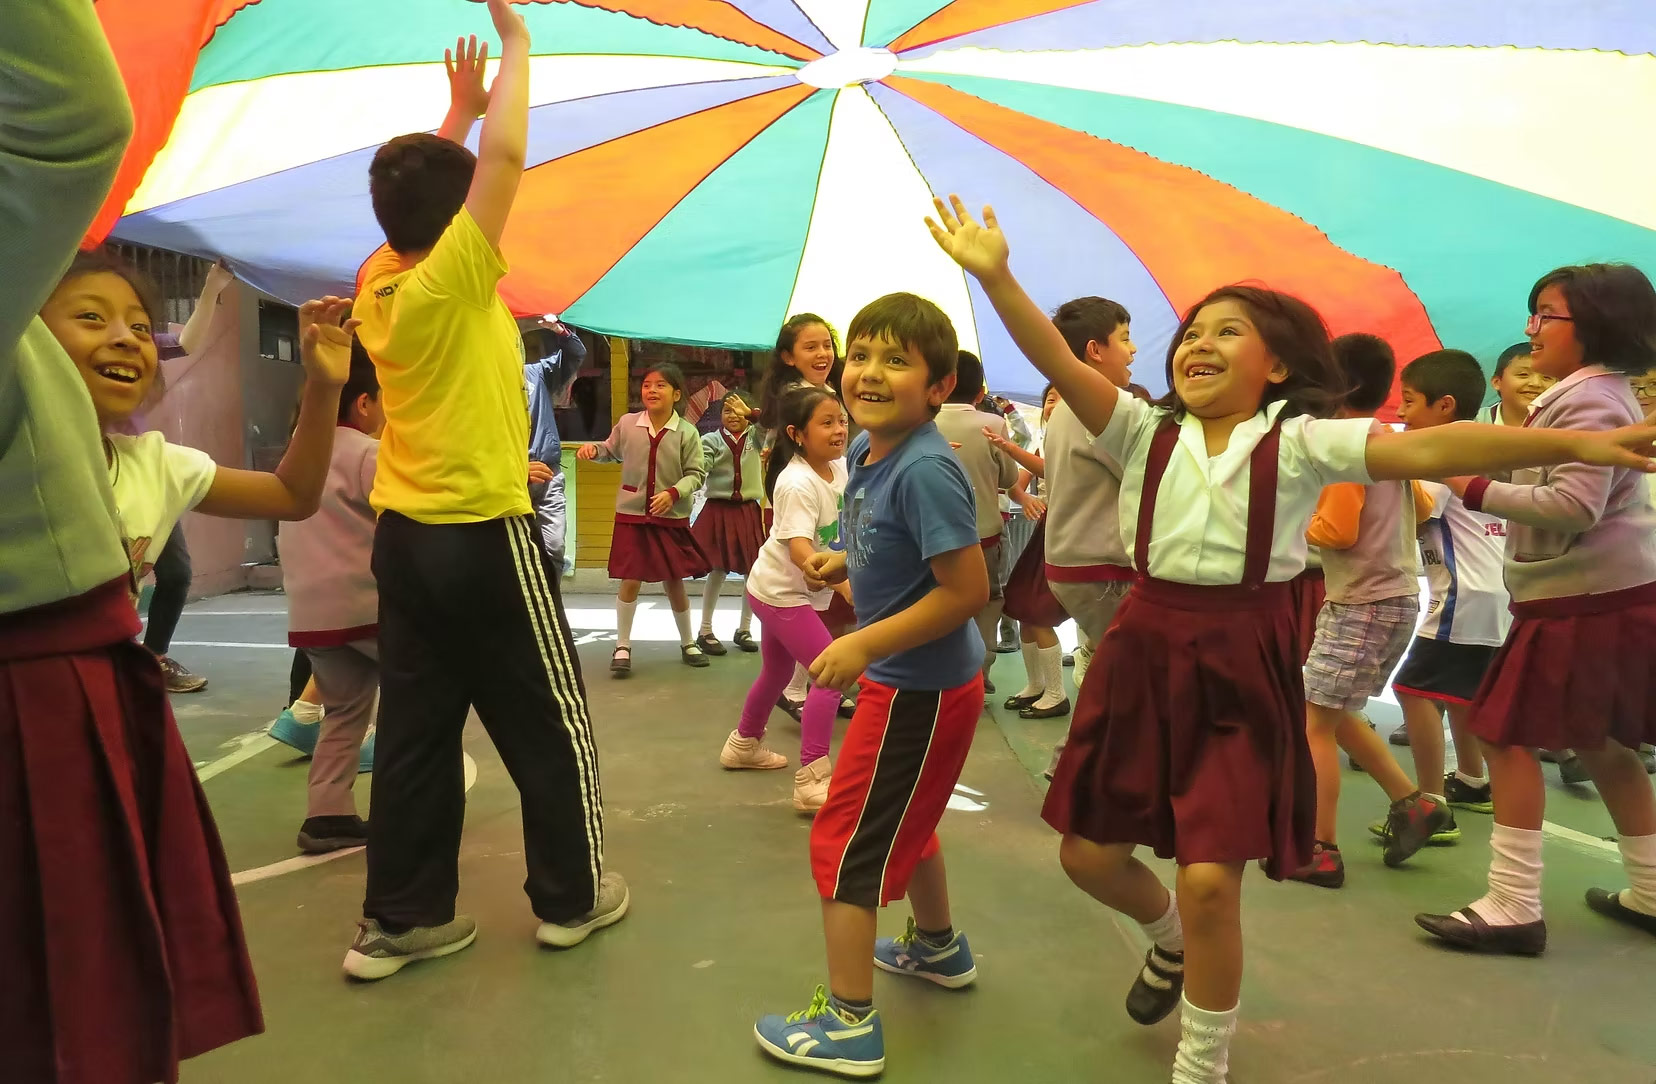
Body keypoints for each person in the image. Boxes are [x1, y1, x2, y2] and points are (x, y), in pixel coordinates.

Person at [928, 194, 1656, 1083]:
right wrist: (996, 275)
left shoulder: (1307, 440)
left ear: (1277, 365)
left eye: (1227, 332)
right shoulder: (1138, 425)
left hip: (1244, 656)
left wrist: (1597, 447)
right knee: (1087, 853)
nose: (1198, 342)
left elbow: (1428, 449)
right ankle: (1166, 945)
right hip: (1145, 648)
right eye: (1192, 329)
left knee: (1209, 879)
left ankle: (1202, 1064)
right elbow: (1051, 353)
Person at [1, 5, 263, 1078]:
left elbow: (283, 485)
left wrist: (324, 379)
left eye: (130, 321)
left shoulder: (158, 456)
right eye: (85, 314)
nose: (121, 338)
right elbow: (72, 112)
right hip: (45, 679)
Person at [346, 7, 621, 981]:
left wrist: (449, 118)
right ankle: (574, 899)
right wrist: (516, 51)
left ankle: (401, 920)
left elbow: (435, 190)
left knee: (417, 732)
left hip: (404, 544)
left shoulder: (379, 281)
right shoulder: (458, 277)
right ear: (458, 223)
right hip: (481, 535)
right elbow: (503, 166)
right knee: (551, 718)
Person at [752, 293, 990, 1078]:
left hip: (913, 688)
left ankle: (850, 1023)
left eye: (896, 360)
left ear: (938, 386)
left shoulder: (925, 467)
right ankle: (936, 947)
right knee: (913, 822)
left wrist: (862, 647)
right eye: (860, 355)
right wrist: (842, 562)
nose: (869, 372)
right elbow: (890, 546)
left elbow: (964, 591)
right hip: (917, 682)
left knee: (846, 842)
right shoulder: (864, 451)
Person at [1416, 264, 1656, 955]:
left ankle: (1514, 903)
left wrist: (1469, 484)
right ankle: (1649, 888)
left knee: (1504, 734)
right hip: (1604, 593)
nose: (1532, 330)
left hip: (1579, 600)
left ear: (1595, 323)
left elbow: (1573, 507)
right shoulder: (1597, 393)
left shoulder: (1591, 401)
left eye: (1546, 314)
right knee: (1605, 745)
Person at [1296, 333, 1445, 888]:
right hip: (1396, 597)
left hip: (1361, 600)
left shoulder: (1344, 448)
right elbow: (1423, 503)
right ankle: (1415, 803)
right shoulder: (1386, 440)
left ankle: (1320, 846)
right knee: (1334, 713)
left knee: (1311, 722)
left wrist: (1292, 520)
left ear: (1340, 387)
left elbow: (1336, 529)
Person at [1387, 350, 1508, 820]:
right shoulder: (1475, 444)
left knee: (1414, 690)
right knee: (1460, 691)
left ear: (1444, 406)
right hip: (1492, 592)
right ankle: (1474, 781)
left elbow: (1418, 510)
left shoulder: (1440, 453)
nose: (1400, 412)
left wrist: (1384, 474)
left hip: (1465, 595)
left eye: (1410, 400)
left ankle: (1430, 803)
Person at [279, 341, 386, 853]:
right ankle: (417, 807)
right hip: (367, 606)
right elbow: (406, 515)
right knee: (431, 699)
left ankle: (327, 815)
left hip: (313, 613)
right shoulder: (367, 452)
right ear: (363, 403)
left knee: (344, 711)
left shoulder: (299, 450)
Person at [722, 385, 850, 811]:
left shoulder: (840, 468)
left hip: (778, 589)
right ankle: (812, 778)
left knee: (777, 672)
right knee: (831, 675)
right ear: (797, 433)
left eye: (841, 421)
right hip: (782, 593)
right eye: (827, 423)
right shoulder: (797, 482)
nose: (839, 430)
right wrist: (831, 577)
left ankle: (743, 744)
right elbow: (798, 546)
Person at [131, 260, 236, 693]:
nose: (124, 335)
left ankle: (152, 658)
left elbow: (188, 341)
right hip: (92, 477)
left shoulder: (142, 346)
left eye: (135, 322)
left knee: (175, 573)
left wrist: (212, 285)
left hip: (145, 476)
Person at [577, 362, 711, 674]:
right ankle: (622, 645)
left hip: (671, 517)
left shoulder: (687, 433)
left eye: (661, 385)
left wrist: (673, 493)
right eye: (647, 384)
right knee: (631, 579)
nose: (651, 390)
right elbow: (611, 451)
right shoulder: (627, 424)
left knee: (674, 580)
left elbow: (696, 474)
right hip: (632, 514)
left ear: (677, 394)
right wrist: (593, 451)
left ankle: (688, 641)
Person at [934, 349, 1018, 693]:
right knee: (987, 600)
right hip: (983, 534)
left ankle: (940, 672)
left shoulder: (923, 424)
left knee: (937, 599)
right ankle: (978, 673)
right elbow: (1009, 477)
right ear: (980, 393)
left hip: (935, 536)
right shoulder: (993, 424)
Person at [993, 384, 1073, 719]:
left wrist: (1007, 446)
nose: (1055, 405)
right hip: (1044, 532)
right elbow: (1018, 483)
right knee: (1023, 607)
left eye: (1063, 398)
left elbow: (1046, 469)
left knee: (1040, 612)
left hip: (1065, 535)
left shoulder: (1074, 443)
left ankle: (1057, 693)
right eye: (1050, 400)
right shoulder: (1046, 443)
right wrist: (1023, 497)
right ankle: (1036, 685)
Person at [693, 389, 765, 655]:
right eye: (726, 410)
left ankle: (744, 628)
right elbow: (702, 465)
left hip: (747, 510)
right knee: (717, 569)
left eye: (738, 410)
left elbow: (768, 423)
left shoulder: (757, 437)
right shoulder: (711, 439)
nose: (732, 416)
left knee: (752, 571)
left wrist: (753, 414)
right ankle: (705, 630)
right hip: (718, 509)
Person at [525, 315, 587, 574]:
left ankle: (552, 606)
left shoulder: (534, 373)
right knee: (513, 552)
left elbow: (575, 353)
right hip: (509, 476)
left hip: (549, 472)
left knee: (553, 547)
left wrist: (558, 330)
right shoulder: (482, 381)